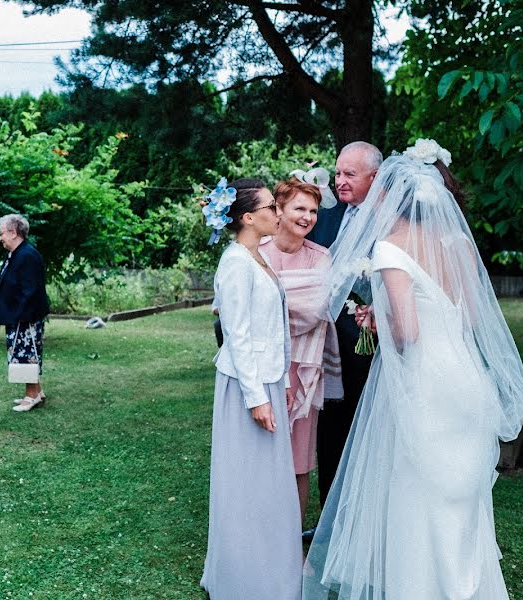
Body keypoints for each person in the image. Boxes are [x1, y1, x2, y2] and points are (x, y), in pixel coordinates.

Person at [303, 141, 523, 599]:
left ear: (393, 199)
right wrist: (391, 314)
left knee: (417, 490)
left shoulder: (390, 250)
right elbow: (468, 318)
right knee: (460, 495)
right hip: (464, 378)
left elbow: (407, 333)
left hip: (422, 382)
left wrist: (382, 316)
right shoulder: (458, 245)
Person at [200, 178, 301, 600]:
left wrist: (283, 379)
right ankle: (245, 577)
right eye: (271, 208)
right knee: (246, 482)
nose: (279, 214)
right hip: (246, 388)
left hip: (268, 379)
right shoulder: (236, 263)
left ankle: (270, 567)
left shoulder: (257, 257)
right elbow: (237, 334)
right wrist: (257, 397)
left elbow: (273, 326)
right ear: (247, 217)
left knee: (268, 483)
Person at [259, 175, 342, 527]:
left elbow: (316, 310)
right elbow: (245, 315)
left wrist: (276, 302)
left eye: (313, 210)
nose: (307, 216)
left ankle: (291, 544)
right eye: (299, 208)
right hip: (263, 369)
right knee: (261, 458)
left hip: (304, 372)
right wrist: (285, 304)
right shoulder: (257, 253)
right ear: (279, 209)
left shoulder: (321, 257)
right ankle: (258, 540)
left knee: (298, 463)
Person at [306, 141, 383, 508]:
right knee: (329, 428)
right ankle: (327, 520)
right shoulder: (325, 216)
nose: (339, 181)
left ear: (375, 176)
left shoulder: (390, 221)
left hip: (370, 343)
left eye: (349, 174)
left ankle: (363, 516)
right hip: (325, 343)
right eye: (337, 173)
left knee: (367, 429)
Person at [0, 214, 50, 413]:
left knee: (27, 355)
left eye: (2, 234)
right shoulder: (16, 253)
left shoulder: (27, 255)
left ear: (13, 233)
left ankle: (31, 396)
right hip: (18, 315)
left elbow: (31, 290)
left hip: (26, 317)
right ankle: (37, 391)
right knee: (24, 353)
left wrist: (20, 316)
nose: (0, 238)